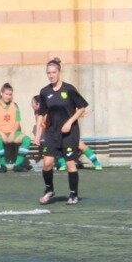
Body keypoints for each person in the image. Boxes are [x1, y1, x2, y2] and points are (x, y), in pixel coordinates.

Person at [35, 59, 89, 205]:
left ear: (59, 72)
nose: (51, 75)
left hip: (69, 132)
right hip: (52, 132)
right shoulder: (44, 92)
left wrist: (70, 122)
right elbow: (41, 113)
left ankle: (73, 194)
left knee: (70, 163)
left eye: (54, 72)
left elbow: (82, 108)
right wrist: (38, 134)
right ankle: (49, 190)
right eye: (48, 73)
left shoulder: (69, 89)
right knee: (47, 163)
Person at [0, 84, 33, 172]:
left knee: (27, 139)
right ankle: (2, 165)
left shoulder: (14, 105)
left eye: (10, 94)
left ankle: (18, 165)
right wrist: (2, 134)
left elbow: (17, 121)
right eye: (6, 94)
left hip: (12, 132)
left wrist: (12, 134)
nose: (8, 96)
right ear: (1, 93)